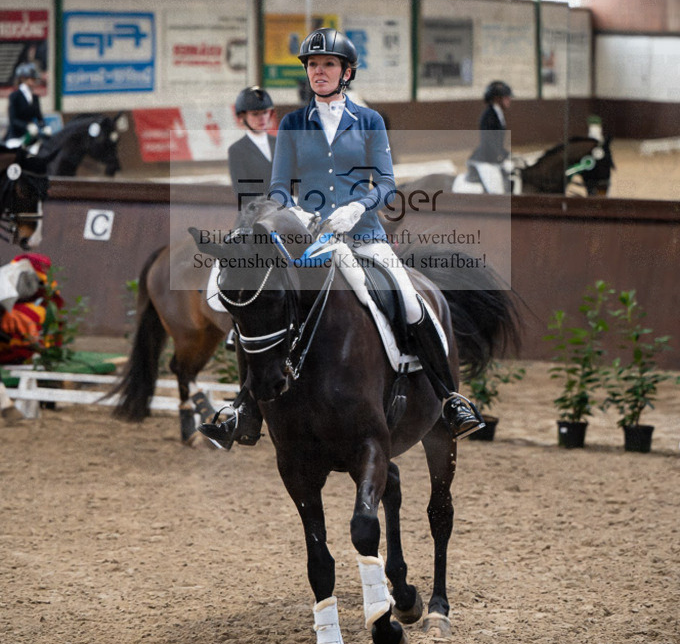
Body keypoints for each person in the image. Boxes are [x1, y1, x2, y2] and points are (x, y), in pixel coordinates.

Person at [205, 27, 483, 449]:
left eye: (328, 65)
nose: (319, 71)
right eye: (313, 65)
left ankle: (450, 398)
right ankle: (243, 408)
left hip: (364, 236)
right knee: (264, 305)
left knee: (409, 302)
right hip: (310, 241)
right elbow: (279, 186)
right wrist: (292, 210)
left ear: (346, 72)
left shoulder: (369, 121)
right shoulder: (294, 124)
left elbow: (387, 183)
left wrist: (359, 207)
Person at [227, 86, 276, 211]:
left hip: (285, 211)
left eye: (265, 112)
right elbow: (242, 191)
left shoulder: (280, 144)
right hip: (255, 213)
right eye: (255, 114)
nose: (262, 118)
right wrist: (272, 203)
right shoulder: (237, 150)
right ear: (242, 117)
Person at [468, 80, 513, 193]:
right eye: (506, 97)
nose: (509, 100)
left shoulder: (498, 114)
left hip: (492, 158)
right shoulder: (489, 115)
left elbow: (497, 143)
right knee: (496, 191)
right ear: (497, 99)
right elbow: (488, 140)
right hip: (485, 160)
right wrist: (500, 156)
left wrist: (506, 154)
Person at [3, 63, 46, 144]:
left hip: (31, 136)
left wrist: (44, 127)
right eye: (32, 78)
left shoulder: (35, 97)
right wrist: (27, 126)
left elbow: (39, 117)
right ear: (23, 78)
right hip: (16, 137)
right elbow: (13, 120)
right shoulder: (14, 96)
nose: (34, 81)